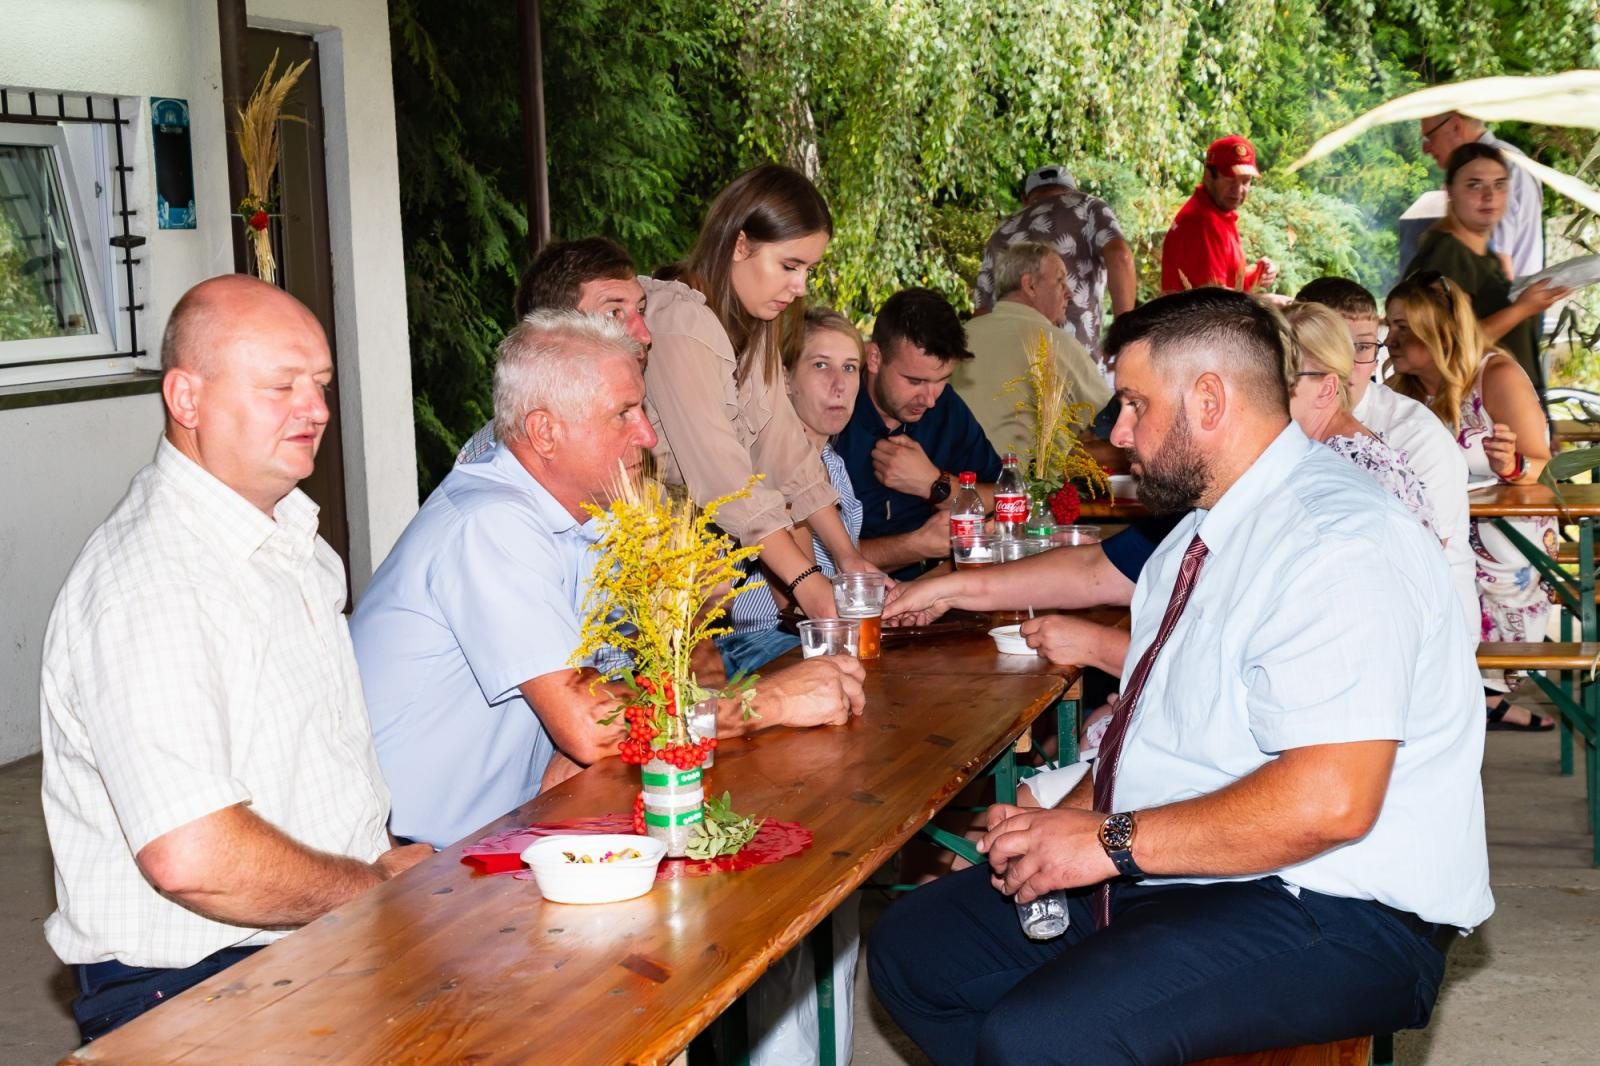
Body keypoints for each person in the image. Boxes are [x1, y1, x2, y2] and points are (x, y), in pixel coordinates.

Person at [868, 287, 1491, 1064]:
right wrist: (1066, 810)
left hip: (1343, 905)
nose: (1119, 433)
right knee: (914, 951)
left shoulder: (1338, 542)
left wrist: (1109, 841)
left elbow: (1331, 802)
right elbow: (1172, 731)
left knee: (1039, 1038)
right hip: (1208, 866)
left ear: (1208, 400)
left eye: (1133, 404)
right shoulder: (1206, 525)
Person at [39, 276, 432, 1043]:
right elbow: (194, 856)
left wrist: (381, 862)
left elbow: (316, 766)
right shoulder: (151, 581)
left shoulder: (286, 535)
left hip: (312, 942)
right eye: (281, 385)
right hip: (192, 993)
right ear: (186, 399)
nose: (315, 408)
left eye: (319, 384)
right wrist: (369, 885)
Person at [351, 312, 867, 849]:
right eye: (624, 413)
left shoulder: (583, 518)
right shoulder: (491, 522)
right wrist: (774, 701)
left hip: (519, 828)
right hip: (419, 868)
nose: (646, 433)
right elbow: (593, 726)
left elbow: (631, 686)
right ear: (544, 432)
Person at [639, 164, 872, 623]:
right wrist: (807, 582)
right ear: (740, 244)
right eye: (789, 266)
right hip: (648, 590)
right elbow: (724, 480)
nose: (799, 286)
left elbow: (784, 446)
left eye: (808, 270)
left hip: (700, 586)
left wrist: (849, 561)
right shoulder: (678, 323)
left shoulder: (755, 322)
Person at [1386, 273, 1557, 731]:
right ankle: (1453, 693)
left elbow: (1542, 462)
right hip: (1439, 526)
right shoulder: (1397, 390)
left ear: (1439, 330)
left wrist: (1513, 465)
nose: (1390, 340)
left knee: (1492, 552)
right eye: (1389, 326)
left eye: (1403, 327)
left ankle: (1476, 692)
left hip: (1501, 528)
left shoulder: (1495, 375)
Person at [1296, 276, 1477, 637]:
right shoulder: (1288, 417)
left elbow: (1417, 558)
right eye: (1331, 347)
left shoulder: (1415, 435)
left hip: (1430, 626)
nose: (1347, 364)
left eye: (1363, 347)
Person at [720, 308, 868, 676]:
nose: (839, 384)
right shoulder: (758, 460)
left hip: (819, 630)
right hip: (759, 640)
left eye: (850, 368)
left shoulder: (835, 465)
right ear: (784, 379)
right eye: (821, 366)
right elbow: (789, 602)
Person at [834, 287, 1003, 580]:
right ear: (874, 358)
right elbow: (811, 561)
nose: (930, 399)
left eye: (942, 380)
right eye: (915, 381)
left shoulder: (946, 408)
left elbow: (1008, 496)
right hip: (850, 601)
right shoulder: (832, 413)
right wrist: (915, 546)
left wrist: (935, 485)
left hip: (941, 588)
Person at [456, 236, 651, 464]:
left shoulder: (613, 430)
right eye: (613, 313)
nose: (644, 335)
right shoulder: (498, 462)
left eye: (641, 309)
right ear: (553, 332)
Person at [1403, 143, 1569, 396]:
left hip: (1512, 403)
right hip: (1484, 408)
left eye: (1499, 184)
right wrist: (1523, 308)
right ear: (1449, 191)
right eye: (1474, 185)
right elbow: (1450, 346)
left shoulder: (1486, 257)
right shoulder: (1448, 253)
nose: (1489, 195)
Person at [1284, 301, 1435, 532]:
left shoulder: (1350, 465)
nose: (1264, 388)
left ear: (1326, 389)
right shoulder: (1326, 445)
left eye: (1283, 377)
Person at [958, 242, 1113, 456]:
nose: (1069, 292)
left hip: (957, 482)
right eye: (1060, 280)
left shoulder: (960, 338)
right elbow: (1111, 426)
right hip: (1029, 485)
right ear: (1030, 286)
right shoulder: (1057, 343)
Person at [973, 164, 1137, 354]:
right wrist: (1124, 342)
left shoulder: (1002, 230)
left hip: (1011, 361)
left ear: (1025, 199)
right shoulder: (1088, 207)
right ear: (1071, 190)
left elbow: (982, 311)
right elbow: (1121, 257)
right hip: (1076, 361)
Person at [1419, 111, 1544, 279]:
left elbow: (1499, 266)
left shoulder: (1490, 169)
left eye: (1430, 137)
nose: (1425, 149)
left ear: (1456, 127)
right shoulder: (1512, 158)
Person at [1160, 135, 1279, 294]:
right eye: (1230, 180)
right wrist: (1266, 303)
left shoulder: (1219, 214)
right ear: (1208, 176)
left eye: (1245, 181)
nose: (1238, 190)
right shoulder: (1203, 222)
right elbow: (1215, 301)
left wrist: (1259, 275)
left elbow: (1230, 287)